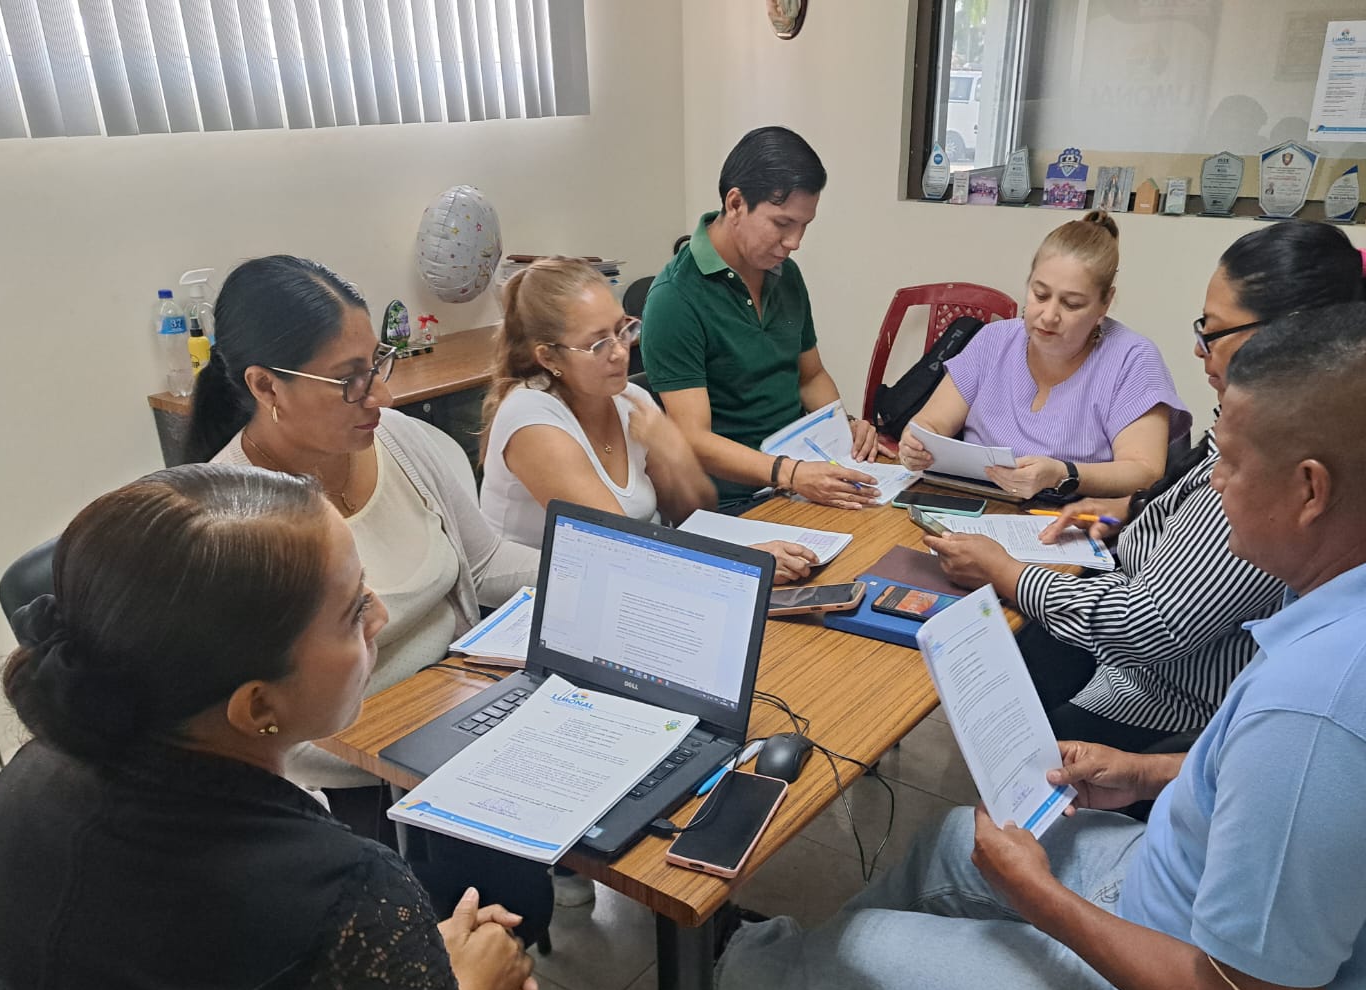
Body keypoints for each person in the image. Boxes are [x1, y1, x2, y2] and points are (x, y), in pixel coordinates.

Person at [713, 304, 1366, 990]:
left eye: (1228, 462)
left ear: (1311, 490)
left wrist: (1039, 898)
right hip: (1202, 909)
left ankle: (726, 976)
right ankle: (799, 986)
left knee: (858, 957)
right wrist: (1150, 772)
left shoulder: (1329, 711)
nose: (1212, 484)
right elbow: (1365, 808)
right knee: (953, 841)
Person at [0, 465, 535, 990]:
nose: (379, 618)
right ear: (258, 705)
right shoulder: (349, 897)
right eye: (352, 611)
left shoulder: (34, 773)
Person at [923, 222, 1366, 750]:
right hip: (1135, 644)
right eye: (1040, 294)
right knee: (1003, 669)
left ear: (1284, 337)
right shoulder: (1272, 419)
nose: (1198, 350)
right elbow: (1181, 493)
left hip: (1167, 700)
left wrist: (1005, 571)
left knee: (1008, 725)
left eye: (1213, 332)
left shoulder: (1276, 465)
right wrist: (1122, 512)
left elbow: (1147, 625)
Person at [183, 256, 550, 907]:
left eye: (377, 363)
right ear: (267, 387)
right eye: (348, 380)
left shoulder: (404, 443)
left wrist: (595, 578)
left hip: (462, 715)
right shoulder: (234, 525)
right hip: (349, 773)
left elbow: (486, 563)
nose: (378, 395)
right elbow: (257, 722)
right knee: (473, 907)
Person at [478, 256, 818, 583]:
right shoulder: (531, 419)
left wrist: (676, 455)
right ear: (549, 357)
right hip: (538, 597)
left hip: (627, 575)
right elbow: (614, 547)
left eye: (622, 330)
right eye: (598, 344)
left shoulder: (630, 399)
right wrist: (742, 563)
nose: (620, 352)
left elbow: (694, 513)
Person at [642, 126, 880, 511]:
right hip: (735, 502)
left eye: (804, 226)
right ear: (736, 203)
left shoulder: (785, 274)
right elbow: (693, 438)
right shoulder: (675, 298)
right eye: (782, 224)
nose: (794, 242)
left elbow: (810, 376)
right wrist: (790, 473)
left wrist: (844, 428)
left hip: (798, 480)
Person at [897, 211, 1188, 502]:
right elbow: (930, 424)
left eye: (1071, 304)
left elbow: (1144, 471)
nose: (1049, 316)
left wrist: (1064, 474)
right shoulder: (993, 340)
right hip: (975, 505)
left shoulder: (1133, 360)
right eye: (1040, 295)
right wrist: (915, 445)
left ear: (1105, 304)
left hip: (1072, 517)